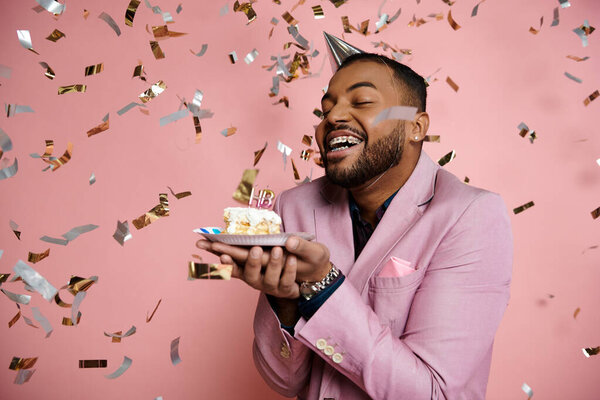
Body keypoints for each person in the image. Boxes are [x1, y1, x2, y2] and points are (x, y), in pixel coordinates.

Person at [196, 53, 513, 399]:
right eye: (325, 109)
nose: (332, 117)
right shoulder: (294, 206)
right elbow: (285, 382)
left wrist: (321, 287)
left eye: (361, 101)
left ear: (416, 127)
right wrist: (285, 302)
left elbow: (432, 393)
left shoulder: (471, 215)